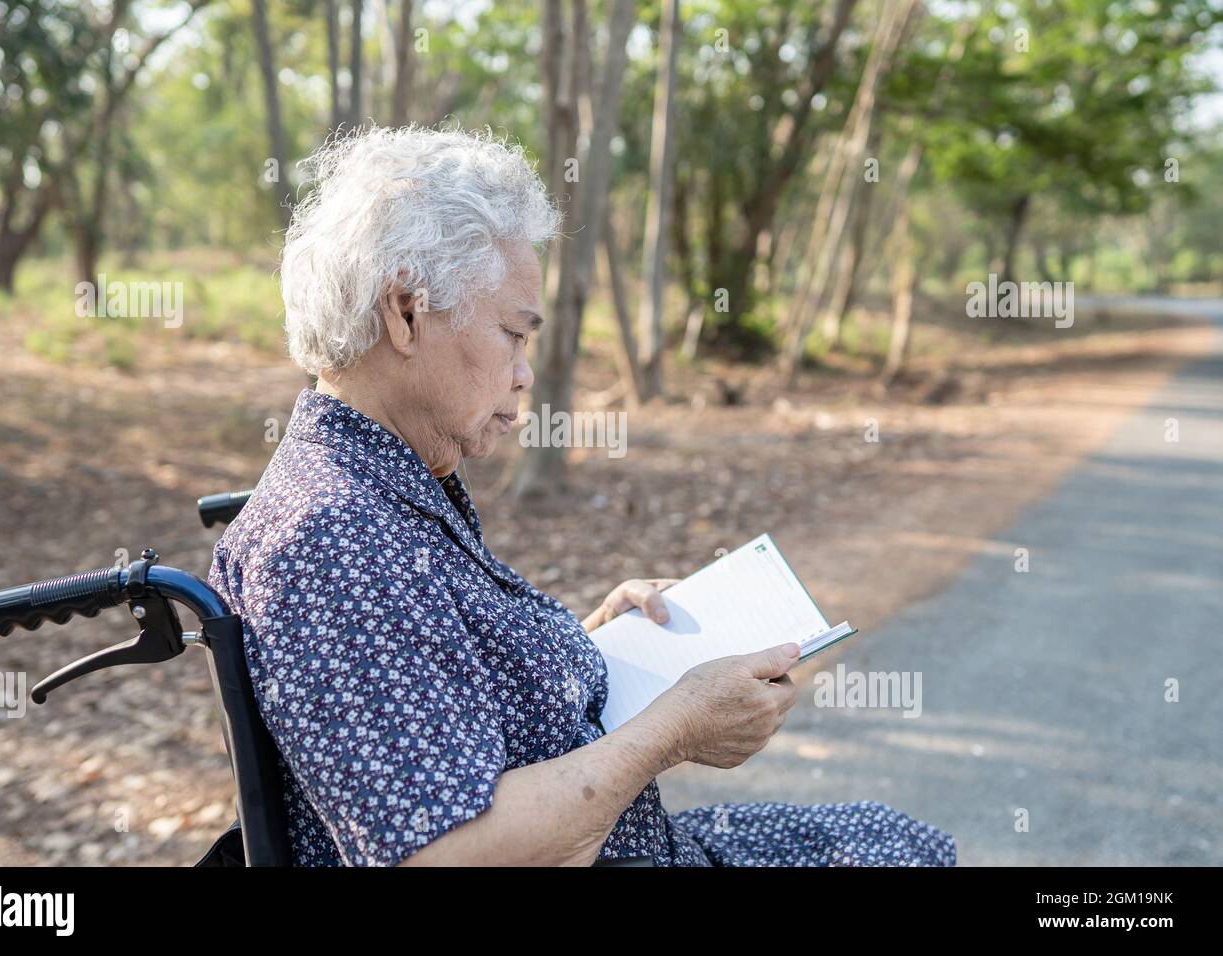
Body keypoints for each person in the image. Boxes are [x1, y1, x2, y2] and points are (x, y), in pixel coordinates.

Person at [208, 123, 956, 867]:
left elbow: (441, 697)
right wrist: (673, 729)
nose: (525, 373)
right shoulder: (331, 537)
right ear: (405, 313)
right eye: (513, 333)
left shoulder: (384, 483)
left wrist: (593, 647)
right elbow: (443, 854)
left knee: (888, 838)